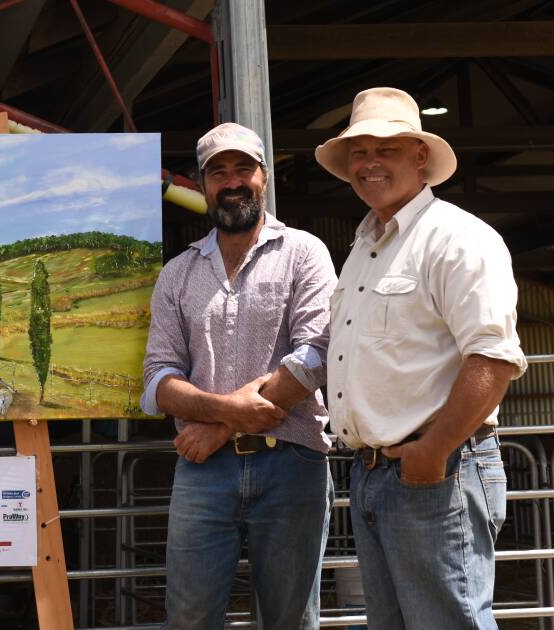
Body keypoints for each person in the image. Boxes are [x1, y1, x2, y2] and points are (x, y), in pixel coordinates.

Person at [317, 87, 526, 629]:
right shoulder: (365, 248)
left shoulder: (457, 238)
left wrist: (432, 452)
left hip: (436, 469)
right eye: (359, 151)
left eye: (385, 149)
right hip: (377, 471)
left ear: (419, 157)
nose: (369, 163)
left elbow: (494, 358)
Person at [142, 122, 337, 629]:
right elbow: (157, 381)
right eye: (218, 172)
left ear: (264, 177)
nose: (232, 182)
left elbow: (315, 354)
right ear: (202, 185)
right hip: (204, 472)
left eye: (243, 169)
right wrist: (231, 410)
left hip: (293, 462)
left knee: (290, 619)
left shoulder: (304, 253)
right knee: (189, 617)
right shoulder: (177, 273)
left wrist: (223, 425)